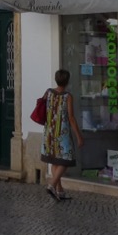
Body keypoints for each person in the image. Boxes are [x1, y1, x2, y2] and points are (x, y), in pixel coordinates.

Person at [41, 68, 83, 201]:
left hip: (49, 131)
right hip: (62, 132)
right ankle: (52, 184)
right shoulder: (67, 96)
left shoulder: (48, 92)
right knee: (66, 159)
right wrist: (78, 136)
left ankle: (60, 190)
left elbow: (42, 105)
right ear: (68, 81)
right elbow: (71, 117)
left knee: (55, 160)